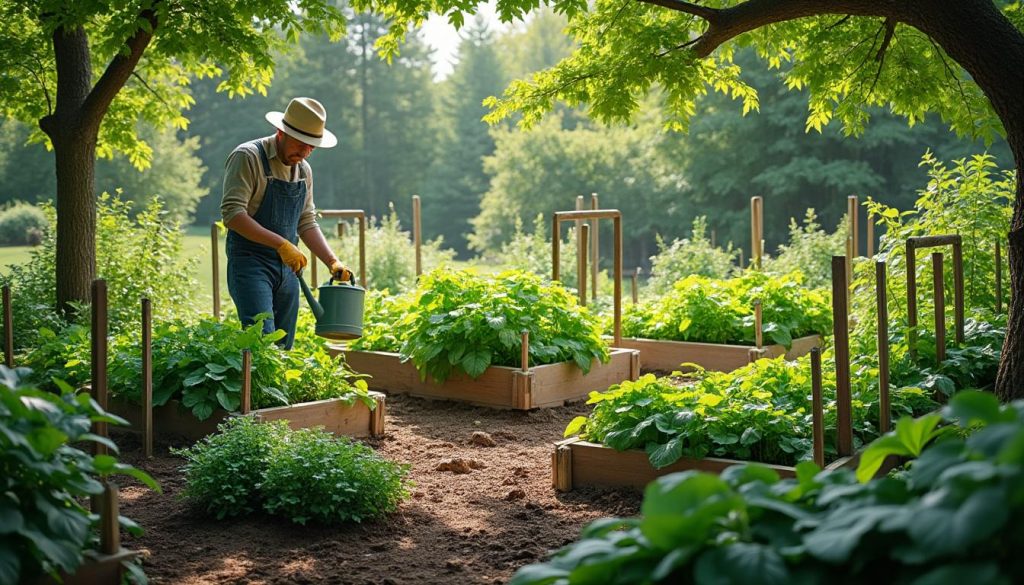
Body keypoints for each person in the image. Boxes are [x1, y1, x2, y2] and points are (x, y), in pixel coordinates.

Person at [221, 97, 351, 349]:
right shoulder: (248, 157)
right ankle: (250, 388)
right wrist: (281, 243)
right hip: (250, 262)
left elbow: (306, 221)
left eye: (311, 147)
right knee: (261, 342)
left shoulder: (303, 170)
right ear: (281, 132)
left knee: (282, 345)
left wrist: (332, 261)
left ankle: (274, 388)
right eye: (300, 144)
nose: (304, 153)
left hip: (289, 268)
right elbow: (233, 214)